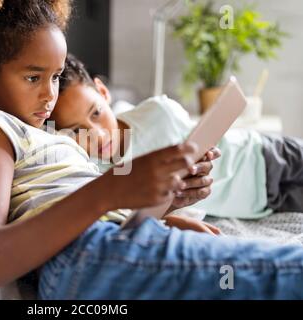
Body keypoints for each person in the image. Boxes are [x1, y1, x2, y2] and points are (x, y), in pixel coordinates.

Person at [0, 0, 303, 299]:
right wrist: (111, 191)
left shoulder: (55, 139)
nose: (49, 94)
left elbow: (81, 204)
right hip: (85, 255)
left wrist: (165, 208)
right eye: (33, 77)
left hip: (118, 244)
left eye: (55, 77)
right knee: (281, 273)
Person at [50, 53, 303, 219]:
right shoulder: (100, 178)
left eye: (96, 113)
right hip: (262, 204)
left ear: (104, 92)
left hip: (264, 153)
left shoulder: (158, 111)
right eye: (75, 131)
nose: (97, 134)